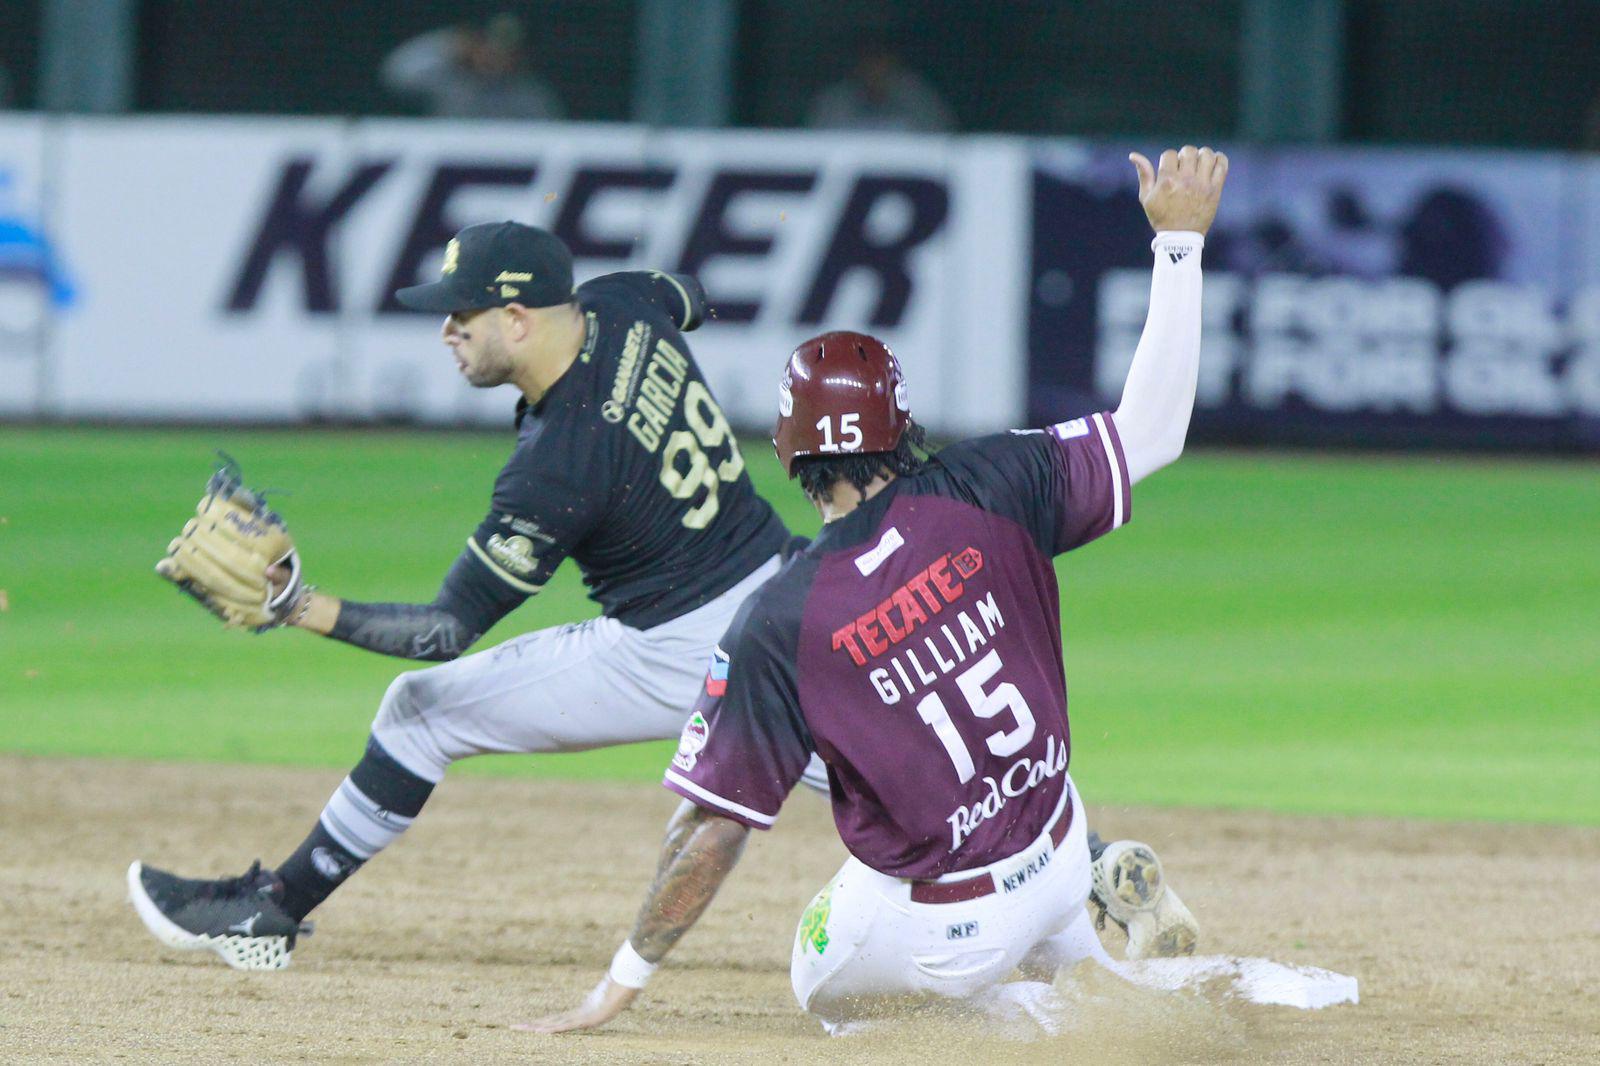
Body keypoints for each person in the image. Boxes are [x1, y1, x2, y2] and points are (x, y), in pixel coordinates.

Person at [520, 144, 1227, 1035]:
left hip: (951, 924)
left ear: (789, 453)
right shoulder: (995, 482)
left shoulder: (781, 616)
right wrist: (1179, 246)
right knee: (1031, 893)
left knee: (823, 984)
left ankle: (1028, 1017)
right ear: (900, 424)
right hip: (1059, 847)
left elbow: (715, 832)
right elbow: (1152, 431)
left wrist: (618, 982)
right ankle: (1115, 968)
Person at [127, 221, 800, 969]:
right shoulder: (623, 304)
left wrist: (294, 605)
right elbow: (690, 297)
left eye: (463, 315)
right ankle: (270, 912)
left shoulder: (558, 466)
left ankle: (266, 916)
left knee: (421, 712)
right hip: (783, 583)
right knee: (906, 777)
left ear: (518, 319)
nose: (446, 331)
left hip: (685, 647)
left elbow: (444, 630)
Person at [381, 13, 564, 121]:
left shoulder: (531, 96)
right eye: (488, 48)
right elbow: (396, 73)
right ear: (475, 44)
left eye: (507, 52)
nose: (495, 58)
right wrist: (450, 43)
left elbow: (551, 140)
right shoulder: (451, 81)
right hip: (447, 163)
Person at [806, 42, 954, 133]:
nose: (875, 69)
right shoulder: (833, 104)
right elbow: (816, 147)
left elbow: (940, 143)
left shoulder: (919, 100)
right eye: (869, 60)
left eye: (881, 60)